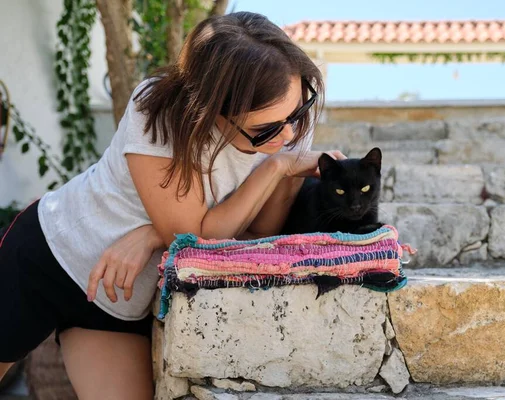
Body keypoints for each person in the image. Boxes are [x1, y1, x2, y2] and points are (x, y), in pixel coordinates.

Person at [0, 11, 344, 399]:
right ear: (212, 110)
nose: (289, 134)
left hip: (118, 300)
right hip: (53, 254)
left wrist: (151, 235)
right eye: (265, 130)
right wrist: (278, 168)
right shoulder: (157, 110)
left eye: (298, 112)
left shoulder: (288, 124)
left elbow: (257, 234)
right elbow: (194, 238)